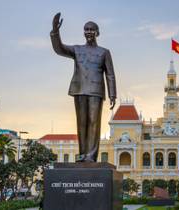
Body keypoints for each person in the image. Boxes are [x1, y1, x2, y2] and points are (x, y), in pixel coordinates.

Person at [50, 12, 116, 162]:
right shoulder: (77, 50)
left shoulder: (104, 52)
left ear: (97, 33)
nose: (89, 32)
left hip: (95, 91)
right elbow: (59, 49)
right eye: (86, 29)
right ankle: (82, 154)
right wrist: (55, 31)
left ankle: (91, 155)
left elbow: (110, 74)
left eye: (92, 29)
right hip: (79, 89)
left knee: (94, 122)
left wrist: (113, 94)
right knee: (81, 122)